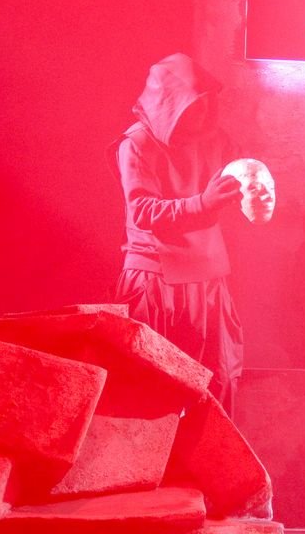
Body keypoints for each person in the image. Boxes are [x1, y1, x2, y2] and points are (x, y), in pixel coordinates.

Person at [111, 53, 269, 419]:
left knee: (217, 384)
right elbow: (143, 211)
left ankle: (209, 456)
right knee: (151, 389)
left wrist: (255, 189)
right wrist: (203, 202)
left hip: (209, 281)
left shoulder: (215, 141)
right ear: (171, 104)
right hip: (156, 282)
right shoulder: (137, 144)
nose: (204, 113)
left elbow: (243, 176)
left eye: (207, 104)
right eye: (194, 105)